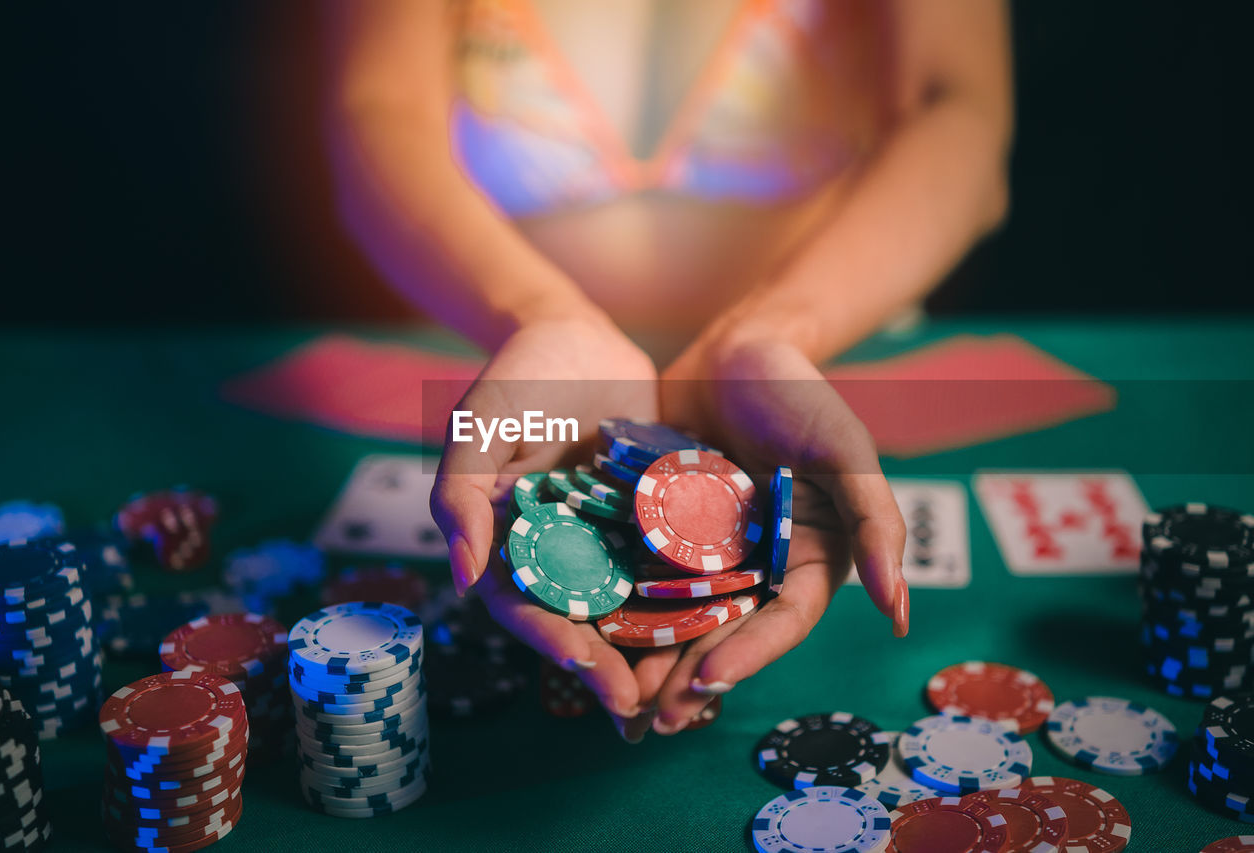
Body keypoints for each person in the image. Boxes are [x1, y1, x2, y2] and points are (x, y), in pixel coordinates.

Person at [326, 0, 1013, 741]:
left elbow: (959, 110)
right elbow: (376, 109)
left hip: (822, 345)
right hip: (506, 353)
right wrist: (541, 315)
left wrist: (775, 333)